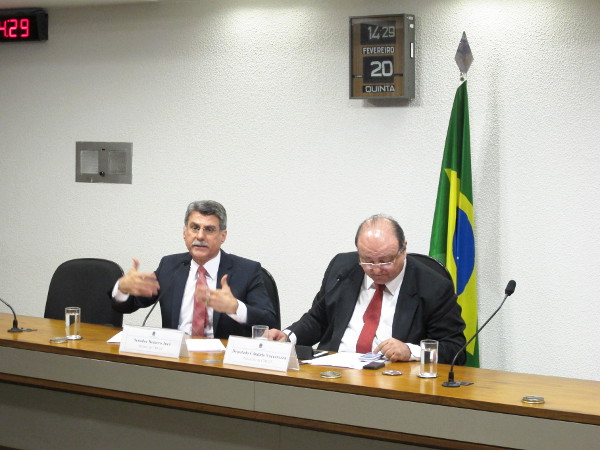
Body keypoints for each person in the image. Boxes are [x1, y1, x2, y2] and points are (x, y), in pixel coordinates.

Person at [269, 214, 466, 364]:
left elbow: (455, 348)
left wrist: (410, 351)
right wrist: (288, 337)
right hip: (334, 371)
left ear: (404, 249)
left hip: (393, 380)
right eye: (367, 261)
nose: (376, 269)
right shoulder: (342, 267)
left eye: (385, 261)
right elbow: (318, 319)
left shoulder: (433, 286)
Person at [112, 200, 277, 338]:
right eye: (195, 228)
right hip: (176, 357)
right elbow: (125, 306)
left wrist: (235, 307)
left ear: (223, 236)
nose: (200, 236)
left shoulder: (247, 271)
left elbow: (269, 321)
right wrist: (122, 289)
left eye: (209, 229)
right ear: (185, 232)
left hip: (222, 361)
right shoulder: (170, 265)